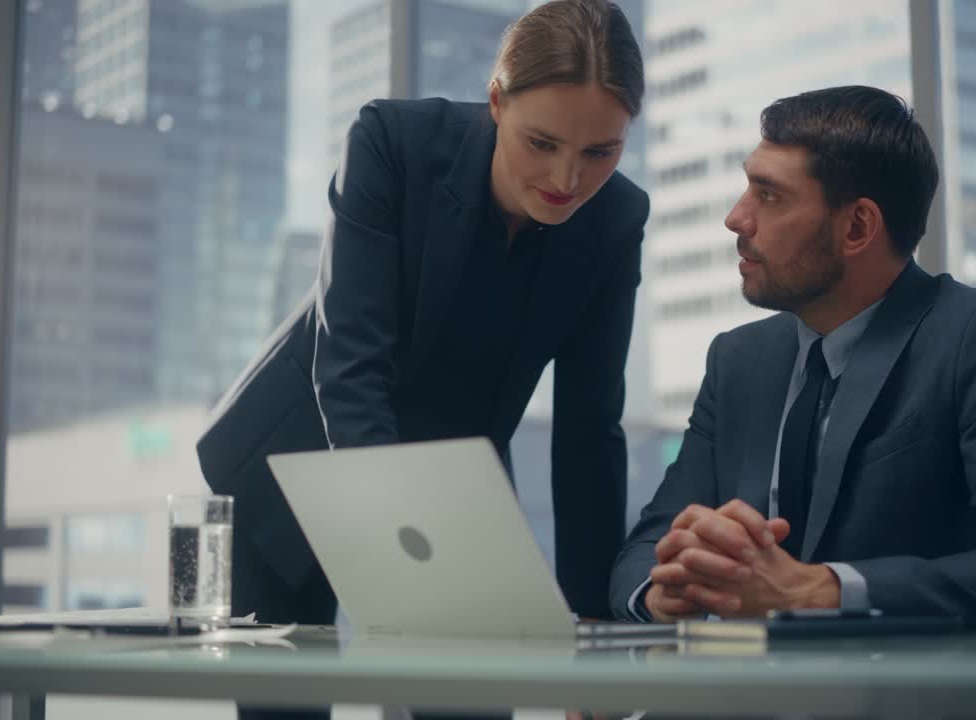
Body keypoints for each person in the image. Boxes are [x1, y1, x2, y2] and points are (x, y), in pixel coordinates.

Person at [196, 1, 645, 717]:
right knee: (284, 708)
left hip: (456, 492)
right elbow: (350, 367)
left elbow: (591, 430)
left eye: (600, 152)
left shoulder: (617, 219)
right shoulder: (392, 143)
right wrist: (396, 560)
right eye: (542, 142)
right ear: (497, 100)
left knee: (469, 708)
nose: (567, 179)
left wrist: (592, 621)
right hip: (300, 457)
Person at [610, 86, 976, 627]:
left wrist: (819, 590)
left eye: (769, 196)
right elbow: (646, 549)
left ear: (857, 228)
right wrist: (666, 592)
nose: (736, 218)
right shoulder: (738, 360)